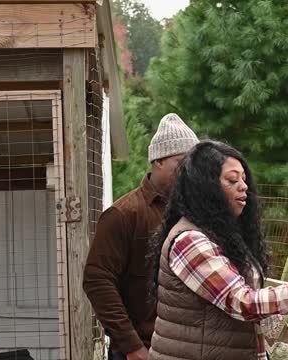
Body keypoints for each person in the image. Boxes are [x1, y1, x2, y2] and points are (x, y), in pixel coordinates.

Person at [147, 140, 288, 360]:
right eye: (232, 180)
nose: (244, 186)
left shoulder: (219, 235)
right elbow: (244, 303)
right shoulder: (189, 242)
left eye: (244, 179)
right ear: (205, 188)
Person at [83, 114, 199, 360]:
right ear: (157, 160)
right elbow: (97, 281)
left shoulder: (197, 213)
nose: (190, 172)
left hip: (188, 348)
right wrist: (132, 346)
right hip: (143, 350)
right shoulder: (123, 214)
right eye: (181, 162)